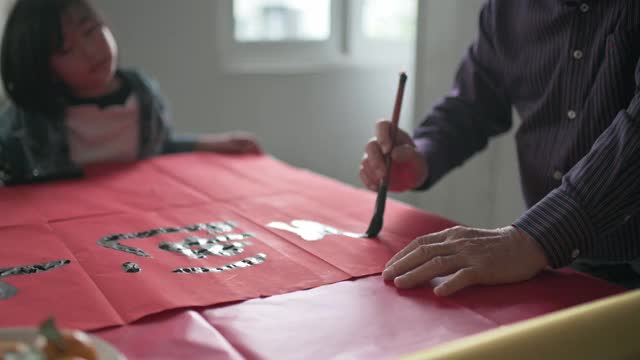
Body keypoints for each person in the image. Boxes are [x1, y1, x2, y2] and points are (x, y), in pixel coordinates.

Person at [360, 0, 640, 296]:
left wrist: (533, 238)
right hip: (563, 257)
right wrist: (423, 156)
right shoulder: (506, 8)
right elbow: (474, 102)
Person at [0, 0, 261, 186]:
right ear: (44, 67)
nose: (91, 51)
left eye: (91, 31)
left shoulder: (142, 96)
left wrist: (211, 143)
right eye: (67, 50)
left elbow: (158, 146)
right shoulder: (31, 118)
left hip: (131, 210)